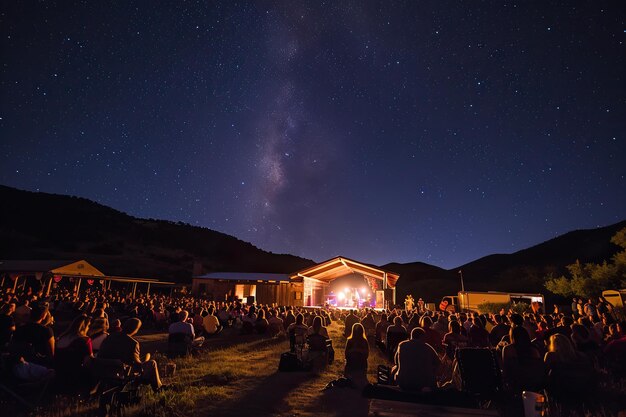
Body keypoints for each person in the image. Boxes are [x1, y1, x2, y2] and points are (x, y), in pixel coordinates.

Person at [98, 318, 164, 391]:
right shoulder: (133, 343)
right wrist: (145, 361)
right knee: (152, 363)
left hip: (105, 370)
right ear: (135, 329)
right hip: (123, 374)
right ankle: (158, 388)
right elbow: (138, 366)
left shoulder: (110, 337)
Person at [55, 314, 93, 391]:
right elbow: (89, 360)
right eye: (88, 326)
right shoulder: (85, 340)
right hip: (75, 371)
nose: (89, 328)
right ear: (84, 327)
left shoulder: (62, 337)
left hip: (59, 369)